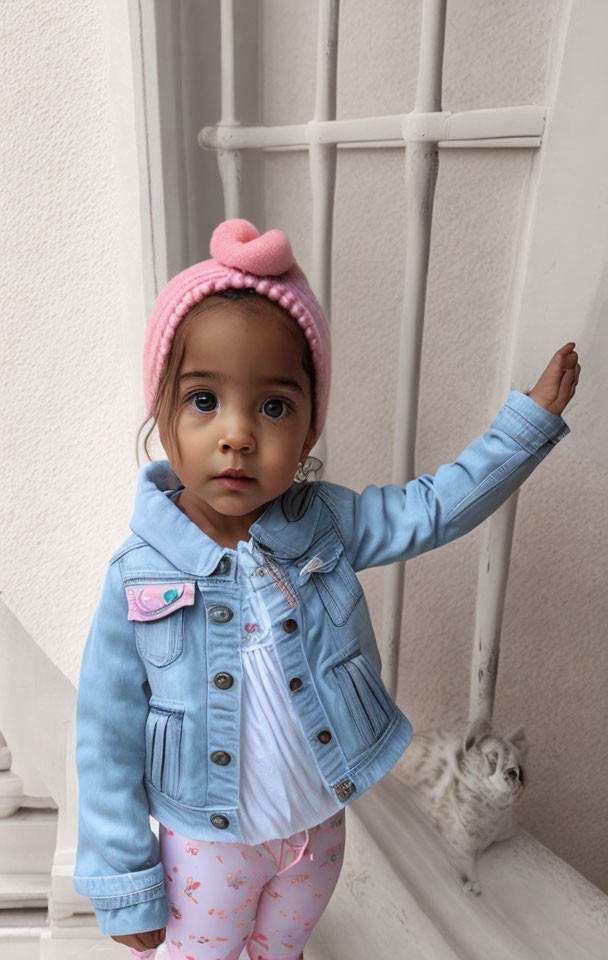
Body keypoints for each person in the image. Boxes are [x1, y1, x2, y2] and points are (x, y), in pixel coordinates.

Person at [72, 218, 580, 960]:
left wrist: (525, 426)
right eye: (204, 400)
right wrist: (125, 877)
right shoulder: (138, 577)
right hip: (209, 851)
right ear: (162, 414)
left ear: (309, 432)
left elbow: (432, 508)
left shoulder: (325, 524)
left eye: (273, 406)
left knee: (281, 950)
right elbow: (104, 736)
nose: (238, 434)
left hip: (319, 835)